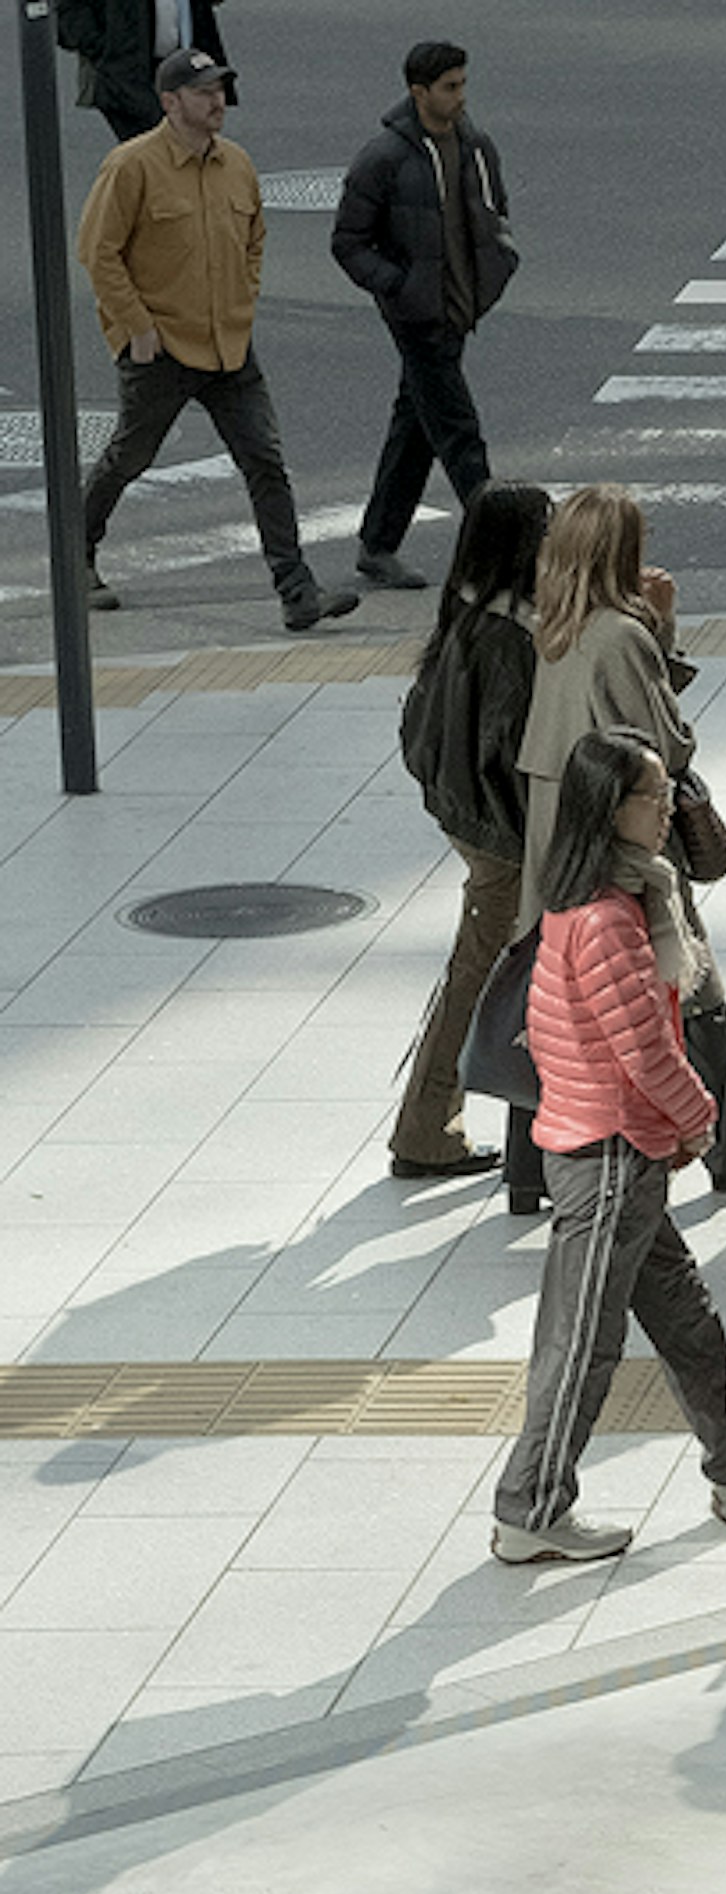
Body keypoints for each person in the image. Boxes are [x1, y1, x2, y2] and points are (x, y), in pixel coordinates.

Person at [493, 731, 726, 1565]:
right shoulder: (607, 917)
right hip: (607, 1155)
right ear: (609, 809)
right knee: (582, 1343)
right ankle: (530, 1508)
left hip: (617, 1149)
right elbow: (641, 1048)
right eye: (654, 796)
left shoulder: (603, 896)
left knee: (687, 1318)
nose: (669, 809)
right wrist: (698, 1117)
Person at [515, 485, 726, 1207]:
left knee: (556, 986)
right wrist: (664, 627)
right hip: (623, 831)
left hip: (558, 820)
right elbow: (667, 745)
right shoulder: (621, 633)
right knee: (693, 983)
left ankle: (525, 1172)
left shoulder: (554, 620)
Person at [73, 48, 358, 632]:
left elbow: (255, 236)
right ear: (170, 102)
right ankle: (75, 554)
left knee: (265, 462)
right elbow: (98, 253)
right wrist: (138, 327)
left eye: (221, 90)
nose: (218, 101)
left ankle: (297, 591)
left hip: (229, 346)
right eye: (204, 92)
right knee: (131, 455)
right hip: (162, 347)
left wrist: (241, 303)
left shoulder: (237, 164)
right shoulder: (132, 166)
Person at [388, 479, 554, 1186]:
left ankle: (433, 1126)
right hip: (502, 834)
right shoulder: (511, 634)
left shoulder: (466, 602)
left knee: (479, 967)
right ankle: (425, 1132)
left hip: (468, 818)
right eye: (547, 530)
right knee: (478, 975)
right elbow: (513, 748)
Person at [329, 41, 517, 594]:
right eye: (449, 87)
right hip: (418, 317)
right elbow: (348, 242)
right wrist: (399, 288)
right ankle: (504, 554)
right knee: (460, 435)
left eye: (463, 84)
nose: (460, 96)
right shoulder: (384, 157)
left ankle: (378, 544)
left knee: (415, 426)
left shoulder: (475, 145)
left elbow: (496, 214)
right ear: (419, 92)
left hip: (459, 308)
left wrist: (499, 267)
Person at [51, 0, 227, 142]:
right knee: (159, 150)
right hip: (124, 71)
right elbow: (70, 11)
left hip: (184, 65)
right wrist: (103, 48)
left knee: (190, 148)